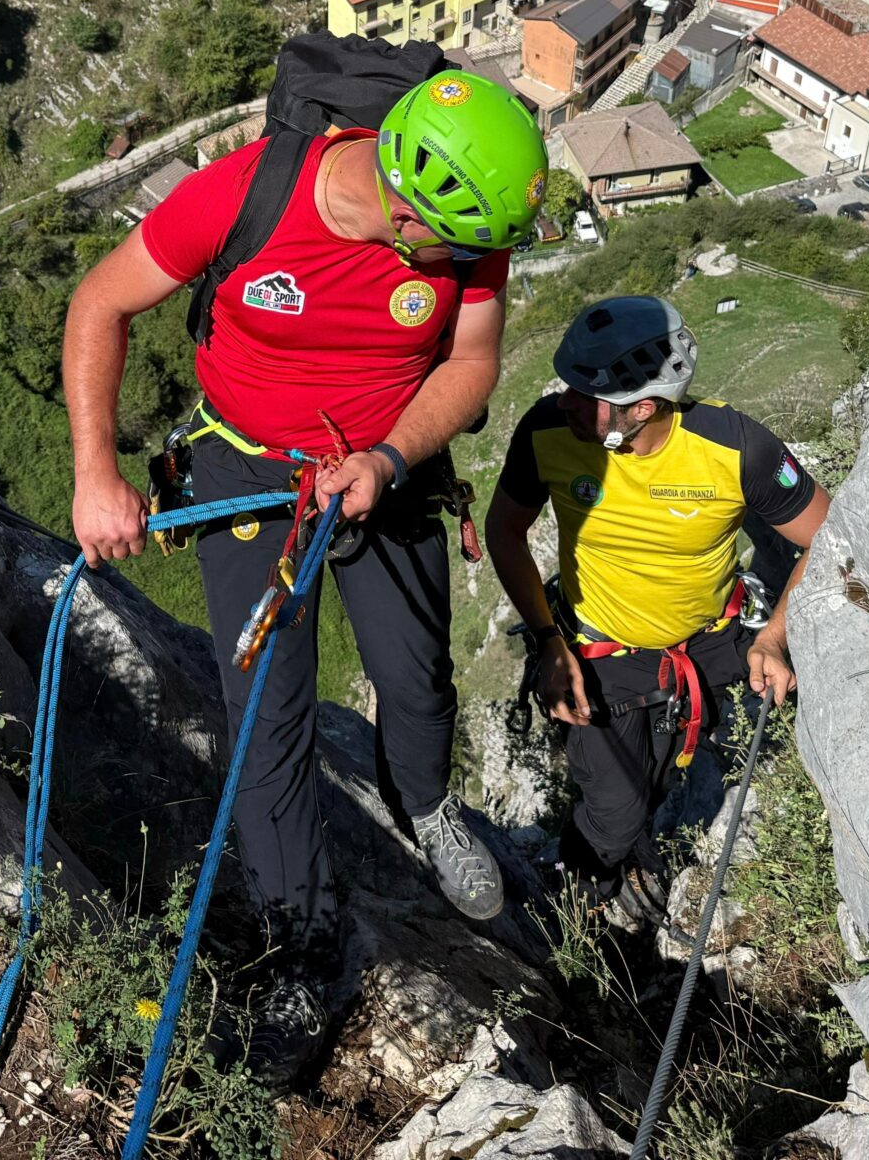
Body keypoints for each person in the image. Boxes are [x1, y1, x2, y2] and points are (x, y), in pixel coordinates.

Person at [62, 67, 548, 1074]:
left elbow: (469, 364)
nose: (465, 261)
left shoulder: (472, 231)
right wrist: (94, 472)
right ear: (410, 200)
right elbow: (100, 304)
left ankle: (423, 803)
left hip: (390, 468)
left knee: (415, 679)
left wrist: (387, 457)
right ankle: (298, 939)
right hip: (248, 467)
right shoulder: (245, 197)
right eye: (450, 245)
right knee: (265, 719)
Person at [483, 294, 828, 919]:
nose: (561, 402)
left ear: (641, 408)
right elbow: (504, 532)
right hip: (597, 652)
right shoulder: (546, 432)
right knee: (615, 809)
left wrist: (774, 634)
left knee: (663, 777)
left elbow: (831, 533)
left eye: (581, 395)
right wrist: (548, 644)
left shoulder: (734, 447)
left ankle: (628, 848)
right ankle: (578, 902)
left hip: (707, 644)